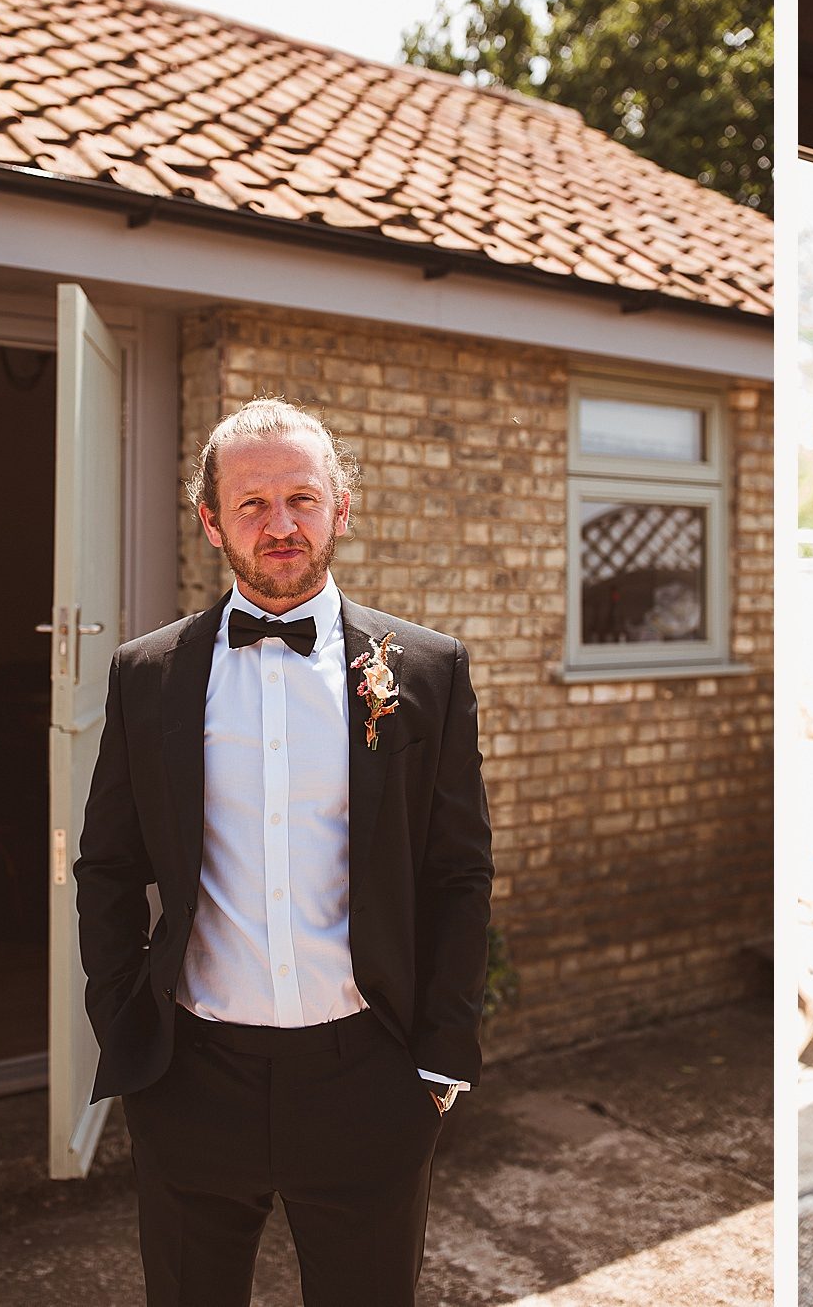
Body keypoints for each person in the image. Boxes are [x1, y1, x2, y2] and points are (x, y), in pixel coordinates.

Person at [75, 397, 492, 1307]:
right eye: (253, 504)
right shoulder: (147, 676)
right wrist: (126, 1031)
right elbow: (107, 866)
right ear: (211, 520)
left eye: (302, 498)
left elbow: (457, 872)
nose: (281, 525)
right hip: (192, 1077)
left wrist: (440, 1058)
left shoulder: (425, 670)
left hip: (370, 1079)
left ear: (342, 508)